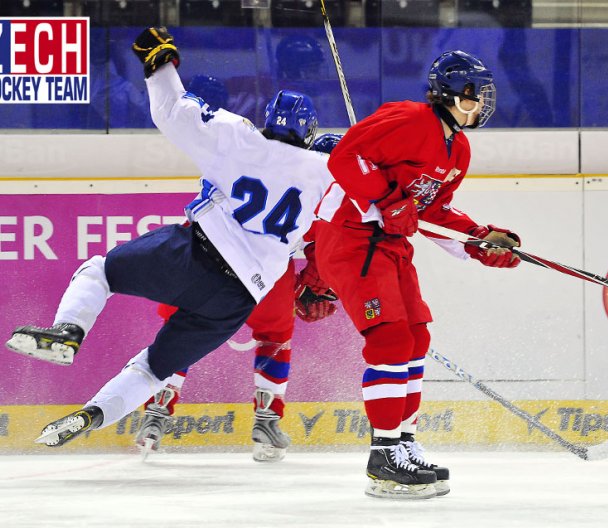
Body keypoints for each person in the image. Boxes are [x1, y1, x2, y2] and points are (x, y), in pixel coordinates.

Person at [4, 27, 334, 449]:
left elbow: (172, 112)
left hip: (197, 254)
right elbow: (361, 217)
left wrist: (159, 65)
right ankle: (95, 413)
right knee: (153, 367)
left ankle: (68, 333)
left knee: (100, 271)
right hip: (240, 298)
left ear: (268, 121)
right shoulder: (327, 172)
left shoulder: (238, 137)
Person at [314, 50, 522, 499]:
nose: (479, 102)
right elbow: (345, 158)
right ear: (448, 92)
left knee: (415, 336)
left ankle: (404, 442)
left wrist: (480, 241)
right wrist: (388, 197)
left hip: (389, 246)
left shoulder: (459, 150)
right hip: (349, 239)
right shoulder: (408, 119)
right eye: (472, 93)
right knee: (388, 339)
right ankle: (383, 453)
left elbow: (432, 212)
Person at [135, 129, 342, 463]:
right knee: (275, 338)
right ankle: (267, 422)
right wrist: (310, 290)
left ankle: (156, 411)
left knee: (182, 329)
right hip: (269, 272)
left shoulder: (243, 157)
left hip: (210, 261)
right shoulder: (325, 192)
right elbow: (328, 256)